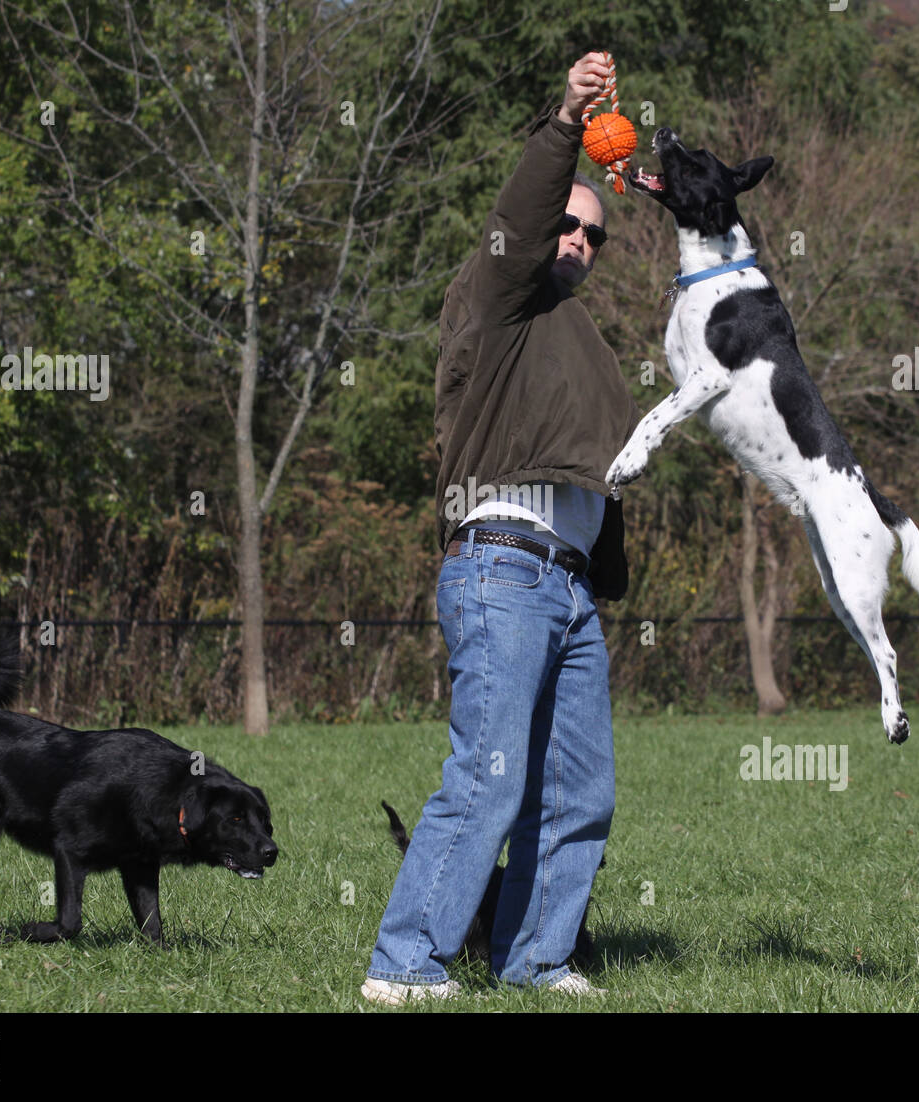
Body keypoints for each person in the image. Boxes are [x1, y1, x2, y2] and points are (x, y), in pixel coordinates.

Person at [362, 52, 640, 1004]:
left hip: (567, 587)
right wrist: (568, 121)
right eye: (566, 224)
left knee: (580, 794)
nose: (575, 241)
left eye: (593, 237)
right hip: (502, 567)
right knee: (488, 777)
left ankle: (535, 958)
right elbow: (521, 217)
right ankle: (404, 967)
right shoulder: (499, 297)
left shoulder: (590, 341)